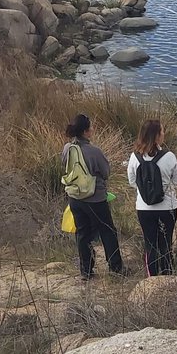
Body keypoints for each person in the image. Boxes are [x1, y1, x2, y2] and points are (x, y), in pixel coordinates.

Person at [61, 114, 125, 279]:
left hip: (75, 198)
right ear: (85, 131)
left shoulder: (68, 148)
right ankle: (116, 268)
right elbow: (105, 173)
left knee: (82, 233)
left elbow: (64, 166)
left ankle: (86, 271)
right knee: (107, 231)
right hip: (95, 198)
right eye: (91, 127)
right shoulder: (94, 152)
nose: (93, 129)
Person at [126, 118, 177, 277]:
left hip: (144, 208)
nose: (164, 134)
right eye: (162, 131)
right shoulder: (169, 156)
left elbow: (132, 182)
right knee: (166, 244)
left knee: (150, 244)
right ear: (157, 136)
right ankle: (167, 277)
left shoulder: (134, 157)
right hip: (168, 207)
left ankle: (152, 280)